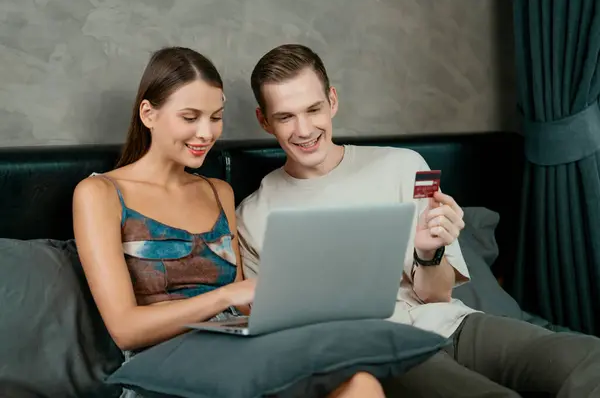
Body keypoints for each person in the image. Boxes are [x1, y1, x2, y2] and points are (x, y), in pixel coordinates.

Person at [235, 43, 600, 397]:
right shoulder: (253, 216)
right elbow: (272, 329)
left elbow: (435, 294)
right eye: (285, 116)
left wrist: (429, 252)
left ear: (332, 100)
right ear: (264, 121)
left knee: (590, 360)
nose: (303, 129)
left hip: (449, 324)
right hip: (373, 351)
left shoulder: (404, 165)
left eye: (313, 109)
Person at [72, 46, 387, 398]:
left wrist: (304, 296)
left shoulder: (218, 191)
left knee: (360, 383)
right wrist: (225, 296)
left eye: (215, 117)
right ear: (148, 114)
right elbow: (126, 329)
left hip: (241, 352)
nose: (206, 133)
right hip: (166, 366)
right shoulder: (100, 193)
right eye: (190, 117)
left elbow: (244, 305)